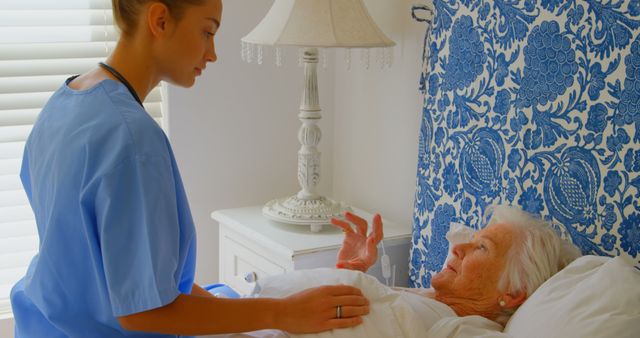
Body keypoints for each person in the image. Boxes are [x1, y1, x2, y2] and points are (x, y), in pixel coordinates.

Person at [9, 1, 369, 337]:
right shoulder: (133, 140)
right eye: (207, 32)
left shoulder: (67, 99)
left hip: (43, 319)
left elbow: (116, 268)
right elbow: (143, 312)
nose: (212, 53)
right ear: (160, 20)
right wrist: (279, 313)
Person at [331, 204, 582, 325]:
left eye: (482, 247)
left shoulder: (463, 331)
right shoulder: (432, 303)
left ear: (513, 292)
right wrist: (350, 275)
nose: (457, 248)